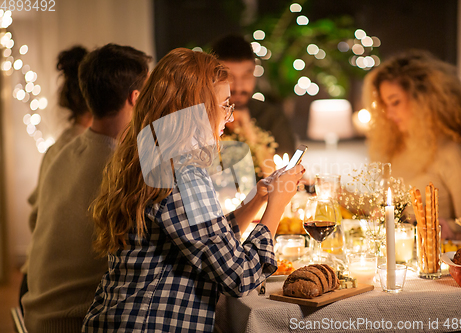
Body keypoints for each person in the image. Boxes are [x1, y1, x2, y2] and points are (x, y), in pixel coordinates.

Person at [82, 48, 304, 332]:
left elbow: (207, 239)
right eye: (224, 105)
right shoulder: (184, 173)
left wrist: (258, 200)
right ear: (195, 108)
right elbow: (240, 277)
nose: (230, 116)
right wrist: (277, 205)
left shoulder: (154, 153)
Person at [22, 44, 151, 333]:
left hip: (37, 310)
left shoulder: (65, 150)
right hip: (73, 322)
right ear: (136, 98)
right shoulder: (119, 166)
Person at [363, 50, 461, 240]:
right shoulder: (399, 147)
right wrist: (336, 192)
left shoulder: (456, 152)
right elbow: (388, 210)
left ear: (423, 99)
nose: (388, 114)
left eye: (395, 102)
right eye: (385, 105)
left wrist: (441, 227)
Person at [19, 45, 91, 311]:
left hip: (34, 278)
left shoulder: (61, 146)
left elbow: (36, 217)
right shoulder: (83, 150)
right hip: (45, 290)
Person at [212, 34, 296, 157]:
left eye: (246, 75)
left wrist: (249, 132)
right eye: (229, 77)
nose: (239, 87)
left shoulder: (271, 117)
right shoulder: (201, 118)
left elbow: (286, 169)